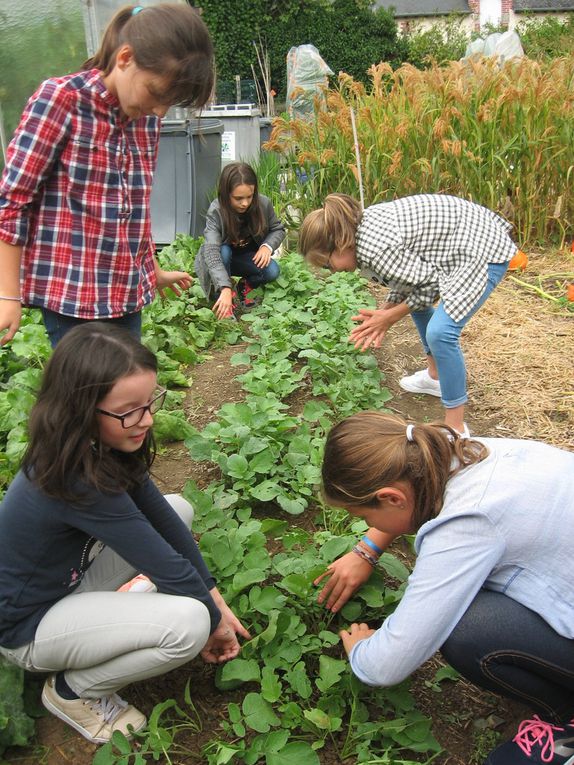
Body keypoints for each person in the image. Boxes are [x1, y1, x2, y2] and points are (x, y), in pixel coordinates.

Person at [0, 323, 249, 744]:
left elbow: (162, 522)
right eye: (129, 410)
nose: (147, 420)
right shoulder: (74, 476)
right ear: (81, 409)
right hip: (27, 627)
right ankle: (73, 691)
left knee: (178, 509)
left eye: (150, 403)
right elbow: (160, 559)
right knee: (188, 625)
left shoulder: (95, 444)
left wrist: (213, 593)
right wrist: (213, 620)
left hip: (65, 585)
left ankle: (110, 621)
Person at [315, 410, 574, 765]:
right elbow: (412, 499)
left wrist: (362, 649)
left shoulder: (466, 525)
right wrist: (369, 546)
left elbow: (384, 667)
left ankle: (565, 719)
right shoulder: (468, 450)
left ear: (391, 497)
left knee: (467, 629)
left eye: (363, 517)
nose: (366, 525)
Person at [0, 4, 215, 347]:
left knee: (125, 393)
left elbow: (133, 205)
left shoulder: (145, 119)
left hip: (126, 291)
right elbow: (13, 200)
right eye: (156, 94)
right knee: (91, 394)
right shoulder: (61, 100)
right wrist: (7, 295)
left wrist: (151, 270)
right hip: (73, 295)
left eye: (169, 102)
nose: (160, 110)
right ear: (125, 58)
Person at [299, 193, 517, 436]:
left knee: (441, 333)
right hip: (461, 242)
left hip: (480, 249)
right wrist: (385, 311)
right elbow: (408, 279)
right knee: (418, 306)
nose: (332, 272)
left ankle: (456, 427)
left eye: (328, 265)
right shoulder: (360, 234)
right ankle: (435, 377)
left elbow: (430, 284)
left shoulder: (375, 249)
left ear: (339, 243)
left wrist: (390, 317)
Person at [195, 162, 285, 319]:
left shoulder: (263, 204)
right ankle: (222, 299)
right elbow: (211, 253)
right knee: (223, 251)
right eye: (238, 198)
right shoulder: (216, 211)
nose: (245, 203)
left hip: (245, 258)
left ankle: (245, 285)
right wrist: (225, 287)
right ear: (225, 194)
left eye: (249, 197)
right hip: (222, 259)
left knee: (272, 271)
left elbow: (277, 229)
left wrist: (267, 247)